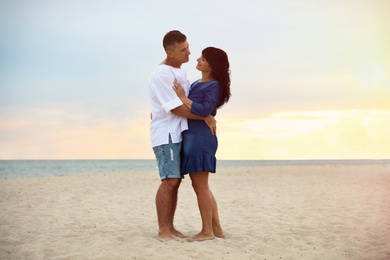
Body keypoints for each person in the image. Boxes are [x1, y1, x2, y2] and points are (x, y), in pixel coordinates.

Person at [148, 30, 216, 242]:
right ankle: (163, 231)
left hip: (180, 134)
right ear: (170, 52)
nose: (189, 52)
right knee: (169, 180)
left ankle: (170, 226)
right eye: (183, 49)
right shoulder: (162, 74)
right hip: (166, 134)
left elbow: (186, 100)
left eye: (188, 47)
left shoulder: (182, 74)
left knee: (175, 182)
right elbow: (176, 108)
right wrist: (204, 117)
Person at [173, 47, 231, 242]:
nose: (198, 59)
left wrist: (183, 98)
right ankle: (217, 229)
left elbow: (206, 108)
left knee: (201, 186)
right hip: (192, 137)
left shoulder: (213, 85)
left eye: (203, 59)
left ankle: (207, 232)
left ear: (212, 65)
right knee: (202, 185)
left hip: (201, 139)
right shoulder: (198, 83)